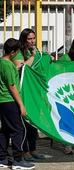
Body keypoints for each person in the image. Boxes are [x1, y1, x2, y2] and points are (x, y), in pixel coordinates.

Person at [11, 28, 45, 161]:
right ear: (24, 39)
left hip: (31, 93)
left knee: (32, 123)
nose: (32, 41)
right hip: (21, 93)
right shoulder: (19, 52)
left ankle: (33, 150)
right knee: (23, 124)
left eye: (33, 38)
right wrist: (32, 57)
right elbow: (22, 67)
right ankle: (24, 152)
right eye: (29, 39)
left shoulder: (33, 50)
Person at [0, 38, 35, 169]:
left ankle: (2, 158)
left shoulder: (2, 63)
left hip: (2, 101)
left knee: (5, 130)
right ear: (13, 52)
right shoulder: (8, 66)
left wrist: (16, 68)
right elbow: (12, 86)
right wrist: (21, 104)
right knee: (19, 130)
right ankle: (18, 160)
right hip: (9, 100)